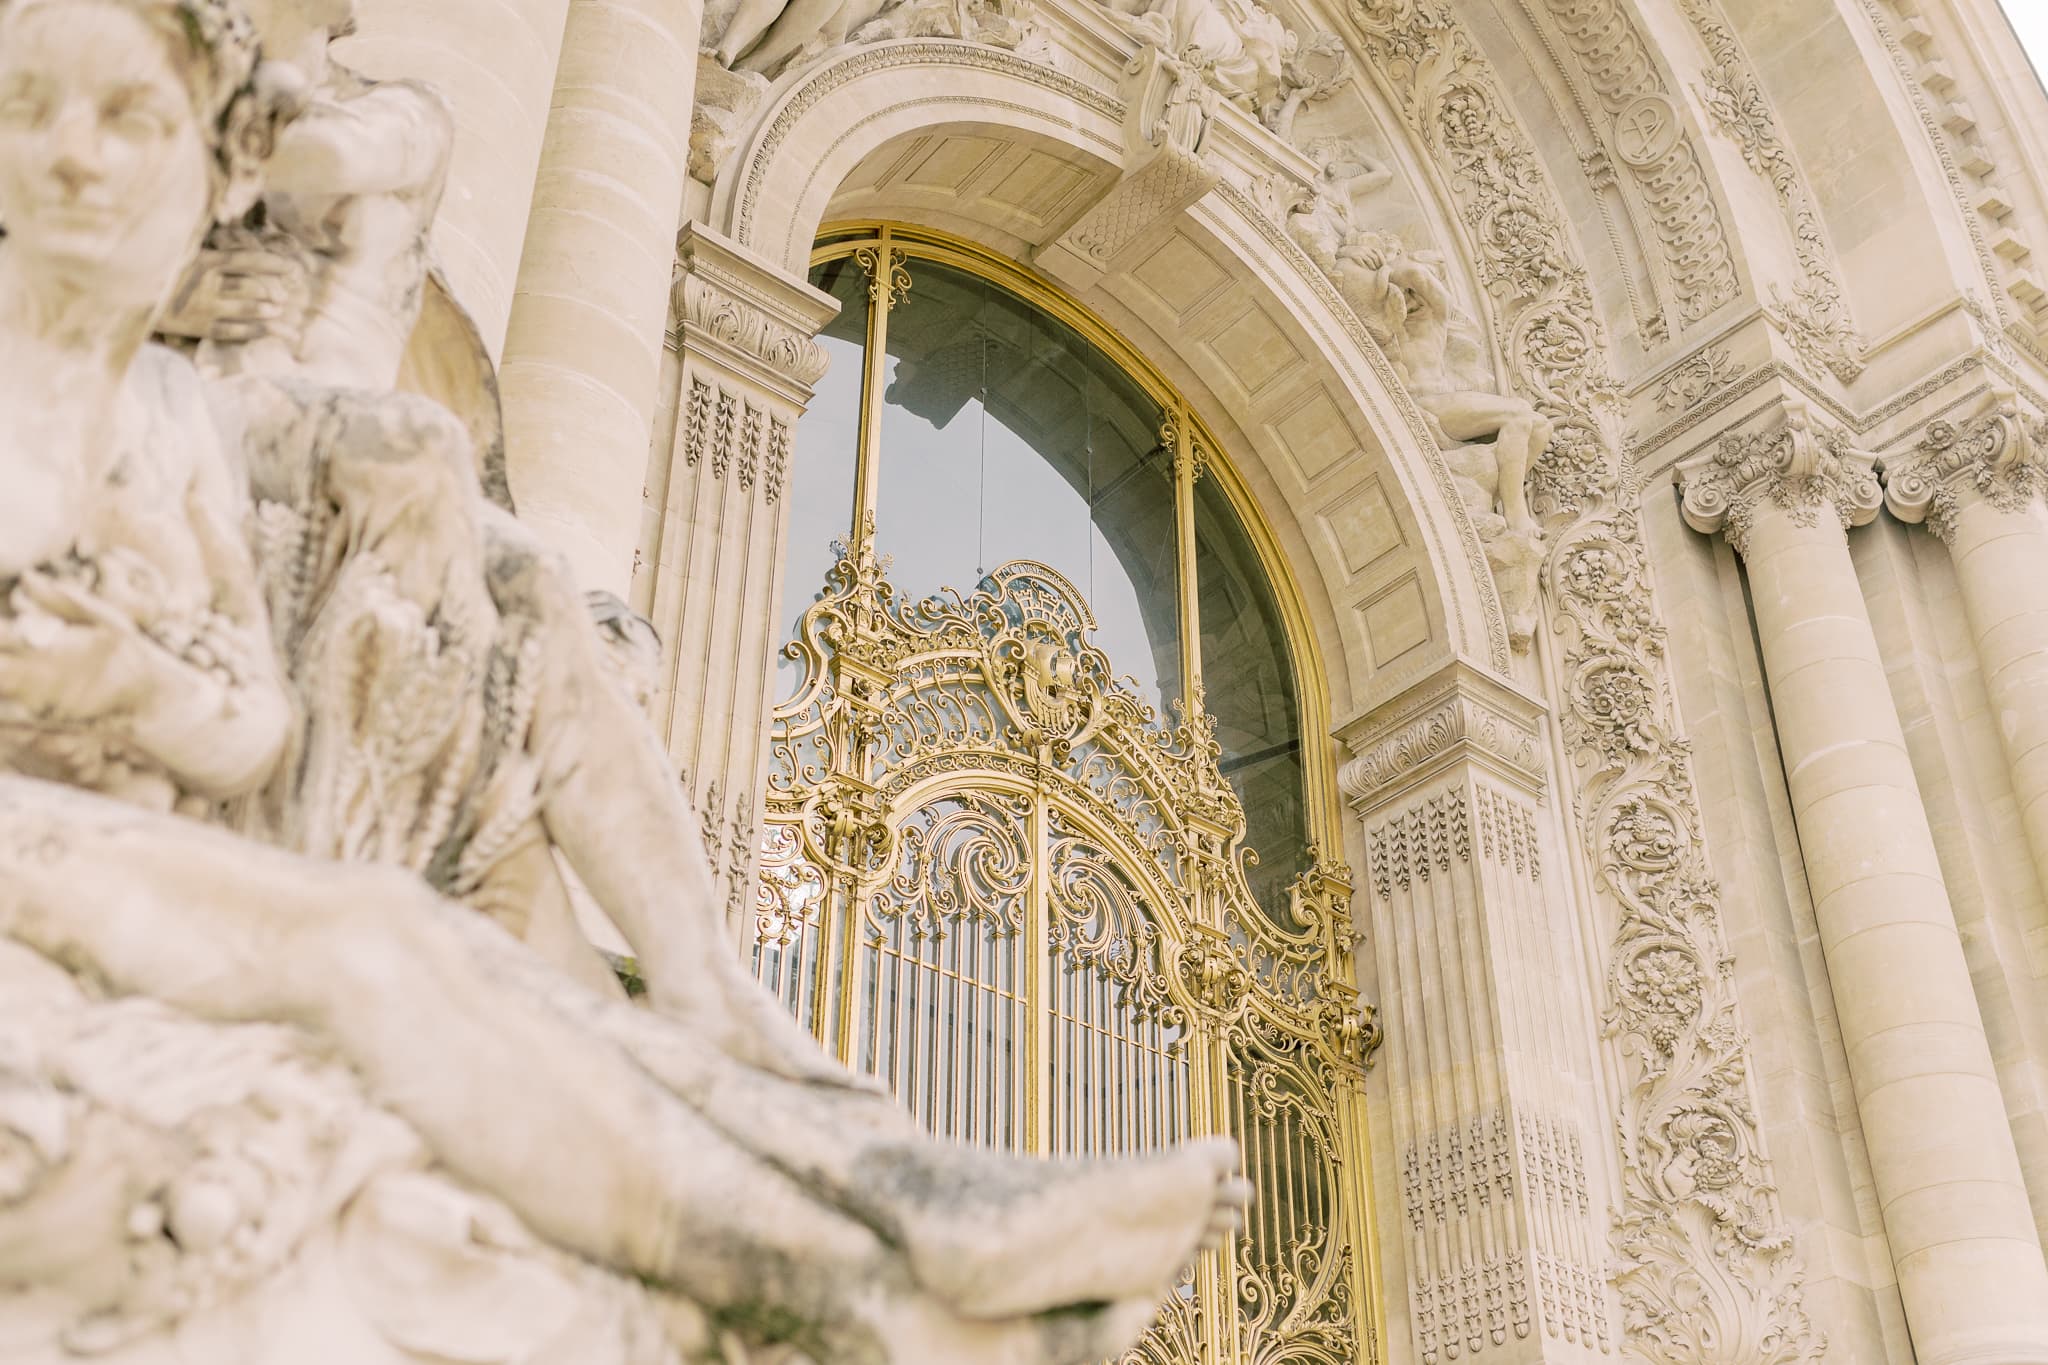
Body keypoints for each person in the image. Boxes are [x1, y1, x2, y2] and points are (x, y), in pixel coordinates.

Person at [0, 3, 1247, 1359]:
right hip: (120, 816)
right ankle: (890, 1238)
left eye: (135, 120)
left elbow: (237, 704)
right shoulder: (150, 397)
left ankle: (834, 1128)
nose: (81, 157)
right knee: (416, 933)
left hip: (229, 719)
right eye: (38, 114)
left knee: (513, 641)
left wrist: (134, 681)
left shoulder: (190, 386)